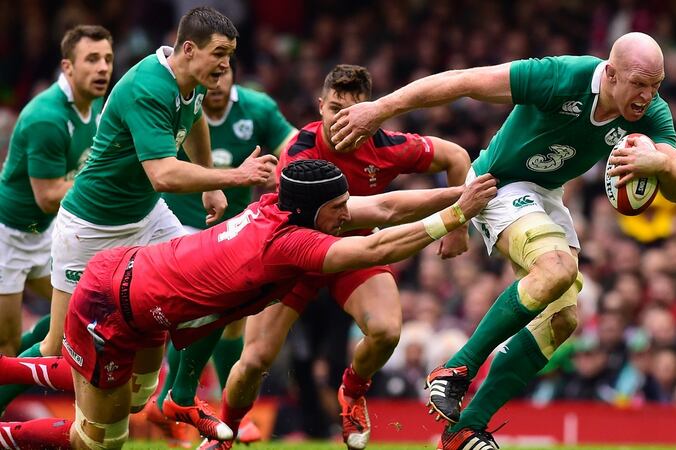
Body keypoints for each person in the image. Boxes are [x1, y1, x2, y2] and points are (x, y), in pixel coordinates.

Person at [331, 32, 676, 449]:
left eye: (656, 85)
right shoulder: (561, 77)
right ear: (610, 74)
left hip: (545, 195)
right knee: (557, 268)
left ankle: (465, 428)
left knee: (562, 320)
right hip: (496, 184)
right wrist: (378, 109)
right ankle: (455, 370)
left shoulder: (651, 113)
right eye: (640, 83)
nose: (648, 95)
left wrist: (659, 162)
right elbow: (463, 81)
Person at [0, 159, 497, 450]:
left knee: (133, 395)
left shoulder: (276, 207)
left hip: (136, 281)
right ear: (312, 211)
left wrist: (463, 192)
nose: (348, 214)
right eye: (339, 208)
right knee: (99, 440)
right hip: (113, 307)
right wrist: (456, 215)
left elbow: (384, 208)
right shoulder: (289, 245)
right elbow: (377, 246)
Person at [0, 6, 276, 413]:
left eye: (230, 55)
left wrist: (209, 181)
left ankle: (175, 396)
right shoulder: (148, 87)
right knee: (55, 347)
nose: (226, 64)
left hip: (147, 218)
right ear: (188, 49)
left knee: (216, 284)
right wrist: (235, 176)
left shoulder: (193, 76)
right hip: (90, 228)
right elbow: (163, 174)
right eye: (219, 53)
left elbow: (194, 117)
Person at [195, 63, 471, 450]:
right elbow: (353, 215)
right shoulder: (301, 153)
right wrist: (432, 213)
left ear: (370, 112)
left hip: (353, 254)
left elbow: (456, 156)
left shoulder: (387, 146)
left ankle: (353, 392)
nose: (343, 120)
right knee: (255, 360)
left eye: (353, 111)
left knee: (388, 331)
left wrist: (460, 228)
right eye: (334, 109)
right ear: (319, 106)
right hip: (295, 255)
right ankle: (226, 432)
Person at [146, 62, 298, 446]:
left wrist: (299, 169)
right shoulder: (176, 104)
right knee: (203, 309)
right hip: (180, 223)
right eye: (211, 76)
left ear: (233, 75)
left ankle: (225, 409)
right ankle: (174, 397)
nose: (217, 83)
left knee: (233, 321)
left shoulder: (257, 108)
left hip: (232, 229)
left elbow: (293, 146)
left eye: (224, 73)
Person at [0, 25, 113, 361]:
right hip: (8, 240)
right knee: (5, 347)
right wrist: (102, 182)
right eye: (91, 59)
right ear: (67, 67)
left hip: (45, 235)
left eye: (107, 59)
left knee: (77, 313)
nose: (103, 68)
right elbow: (48, 196)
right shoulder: (46, 117)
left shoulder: (96, 106)